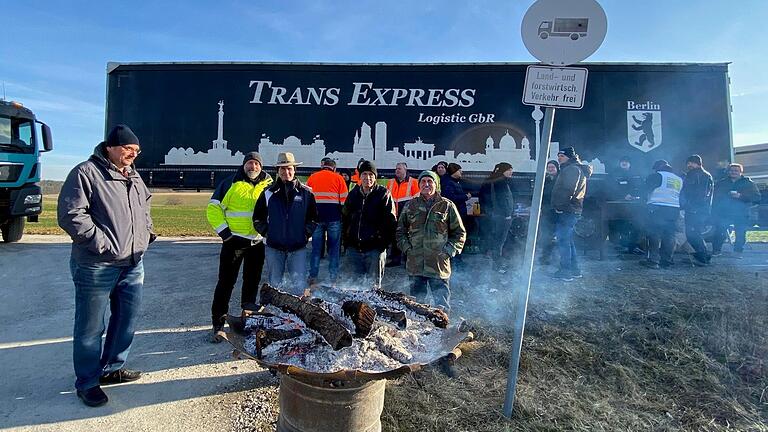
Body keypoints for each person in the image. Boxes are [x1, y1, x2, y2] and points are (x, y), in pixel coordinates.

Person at [58, 124, 155, 407]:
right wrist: (103, 244)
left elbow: (145, 207)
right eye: (128, 149)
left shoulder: (134, 177)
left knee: (127, 319)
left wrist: (146, 234)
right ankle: (87, 382)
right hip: (96, 265)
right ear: (111, 146)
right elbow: (71, 214)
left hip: (133, 263)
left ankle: (113, 368)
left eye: (136, 151)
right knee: (90, 327)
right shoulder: (86, 173)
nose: (132, 155)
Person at [206, 152, 272, 342]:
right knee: (226, 283)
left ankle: (248, 321)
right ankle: (218, 325)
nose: (253, 167)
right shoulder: (230, 183)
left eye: (256, 164)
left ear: (261, 166)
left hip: (256, 242)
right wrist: (226, 234)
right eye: (250, 163)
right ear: (244, 165)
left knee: (252, 283)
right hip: (234, 242)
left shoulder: (268, 185)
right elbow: (213, 208)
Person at [396, 170, 466, 310]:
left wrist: (448, 252)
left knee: (441, 307)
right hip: (416, 265)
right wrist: (408, 249)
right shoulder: (411, 205)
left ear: (436, 184)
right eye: (423, 181)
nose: (426, 184)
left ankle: (441, 330)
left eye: (430, 181)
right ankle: (417, 331)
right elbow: (400, 231)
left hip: (438, 265)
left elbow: (459, 233)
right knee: (416, 306)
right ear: (419, 185)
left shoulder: (447, 206)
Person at [253, 152, 317, 295]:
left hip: (298, 248)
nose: (286, 172)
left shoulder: (306, 193)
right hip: (274, 248)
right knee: (275, 286)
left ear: (295, 170)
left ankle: (297, 316)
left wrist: (305, 234)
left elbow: (313, 219)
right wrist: (268, 233)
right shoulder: (268, 193)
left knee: (299, 287)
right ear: (278, 171)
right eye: (282, 169)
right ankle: (276, 314)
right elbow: (257, 218)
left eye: (289, 168)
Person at [342, 161, 397, 288]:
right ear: (360, 177)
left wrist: (383, 244)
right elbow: (345, 218)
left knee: (373, 289)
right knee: (354, 287)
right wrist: (346, 242)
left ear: (375, 176)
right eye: (364, 174)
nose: (368, 178)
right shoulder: (353, 194)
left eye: (371, 174)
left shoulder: (384, 194)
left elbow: (391, 222)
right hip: (354, 249)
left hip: (374, 250)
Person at [551, 147, 593, 281]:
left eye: (562, 156)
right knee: (568, 240)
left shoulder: (571, 170)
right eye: (558, 156)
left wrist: (560, 206)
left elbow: (568, 190)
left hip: (567, 210)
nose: (559, 158)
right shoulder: (574, 169)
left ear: (569, 157)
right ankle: (575, 270)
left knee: (563, 241)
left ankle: (566, 271)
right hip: (571, 209)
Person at [306, 157, 348, 287]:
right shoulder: (339, 178)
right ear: (334, 168)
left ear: (322, 166)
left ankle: (313, 277)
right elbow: (344, 201)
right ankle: (333, 278)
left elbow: (307, 198)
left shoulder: (313, 177)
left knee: (316, 249)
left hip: (317, 219)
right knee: (334, 249)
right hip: (334, 218)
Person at [711, 163, 761, 256]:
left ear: (741, 172)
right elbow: (714, 197)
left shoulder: (748, 183)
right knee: (719, 231)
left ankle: (738, 252)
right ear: (728, 172)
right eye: (731, 170)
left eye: (736, 171)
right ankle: (716, 251)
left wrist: (741, 196)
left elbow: (756, 197)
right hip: (724, 212)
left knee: (740, 233)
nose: (733, 172)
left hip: (741, 212)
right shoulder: (721, 183)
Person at [641, 160, 683, 269]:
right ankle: (666, 260)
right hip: (674, 209)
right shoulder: (678, 179)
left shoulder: (656, 176)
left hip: (657, 208)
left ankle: (653, 261)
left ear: (658, 168)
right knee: (669, 235)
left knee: (654, 234)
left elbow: (644, 190)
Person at [479, 162, 515, 273]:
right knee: (499, 241)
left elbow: (482, 197)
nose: (511, 172)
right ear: (503, 170)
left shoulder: (491, 180)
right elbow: (503, 200)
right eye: (509, 169)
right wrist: (507, 214)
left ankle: (495, 262)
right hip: (502, 216)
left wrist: (487, 212)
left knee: (495, 240)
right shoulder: (501, 182)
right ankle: (497, 265)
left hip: (492, 216)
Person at [680, 154, 714, 266]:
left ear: (698, 163)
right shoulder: (698, 174)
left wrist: (691, 206)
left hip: (697, 209)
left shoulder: (701, 175)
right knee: (694, 233)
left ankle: (702, 257)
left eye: (691, 162)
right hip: (698, 209)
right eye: (688, 163)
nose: (689, 165)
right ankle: (703, 256)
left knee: (692, 233)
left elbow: (701, 194)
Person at [385, 162, 420, 266]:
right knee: (395, 238)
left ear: (405, 170)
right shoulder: (390, 182)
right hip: (393, 215)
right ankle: (395, 259)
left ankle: (407, 260)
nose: (397, 171)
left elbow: (417, 200)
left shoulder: (414, 182)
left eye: (399, 169)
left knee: (408, 238)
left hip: (407, 215)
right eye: (396, 169)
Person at [607, 156, 643, 253]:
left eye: (626, 161)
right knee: (618, 223)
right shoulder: (614, 174)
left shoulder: (636, 174)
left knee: (636, 224)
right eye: (622, 161)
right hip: (617, 205)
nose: (624, 163)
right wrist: (622, 196)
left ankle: (633, 246)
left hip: (634, 205)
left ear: (630, 163)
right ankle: (619, 244)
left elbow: (640, 188)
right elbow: (609, 188)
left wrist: (636, 196)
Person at [441, 163, 472, 266]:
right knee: (455, 237)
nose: (461, 172)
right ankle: (455, 261)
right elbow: (450, 199)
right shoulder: (449, 183)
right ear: (454, 172)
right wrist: (465, 197)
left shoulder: (455, 182)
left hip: (459, 214)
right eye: (459, 170)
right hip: (454, 216)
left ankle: (457, 259)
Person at [537, 160, 560, 265]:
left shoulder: (560, 180)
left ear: (557, 168)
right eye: (549, 167)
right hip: (546, 211)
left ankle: (556, 257)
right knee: (546, 235)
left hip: (557, 211)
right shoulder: (545, 180)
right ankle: (546, 256)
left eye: (552, 167)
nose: (550, 169)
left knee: (556, 235)